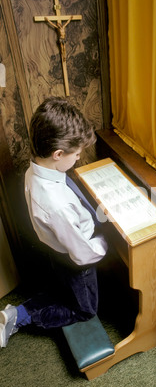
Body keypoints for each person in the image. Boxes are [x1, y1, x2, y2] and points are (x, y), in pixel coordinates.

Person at [0, 97, 108, 348]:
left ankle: (13, 314)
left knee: (63, 289)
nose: (79, 159)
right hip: (76, 259)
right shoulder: (56, 204)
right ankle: (20, 317)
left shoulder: (36, 169)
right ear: (58, 154)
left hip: (58, 250)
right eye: (77, 154)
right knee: (85, 309)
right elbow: (82, 256)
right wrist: (106, 243)